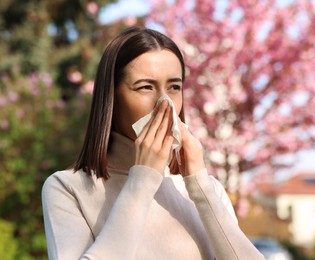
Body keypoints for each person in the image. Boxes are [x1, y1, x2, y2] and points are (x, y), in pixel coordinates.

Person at [42, 27, 264, 260]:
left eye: (174, 88)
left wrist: (200, 186)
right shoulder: (67, 188)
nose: (164, 103)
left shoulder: (206, 191)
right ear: (111, 98)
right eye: (145, 87)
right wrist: (142, 181)